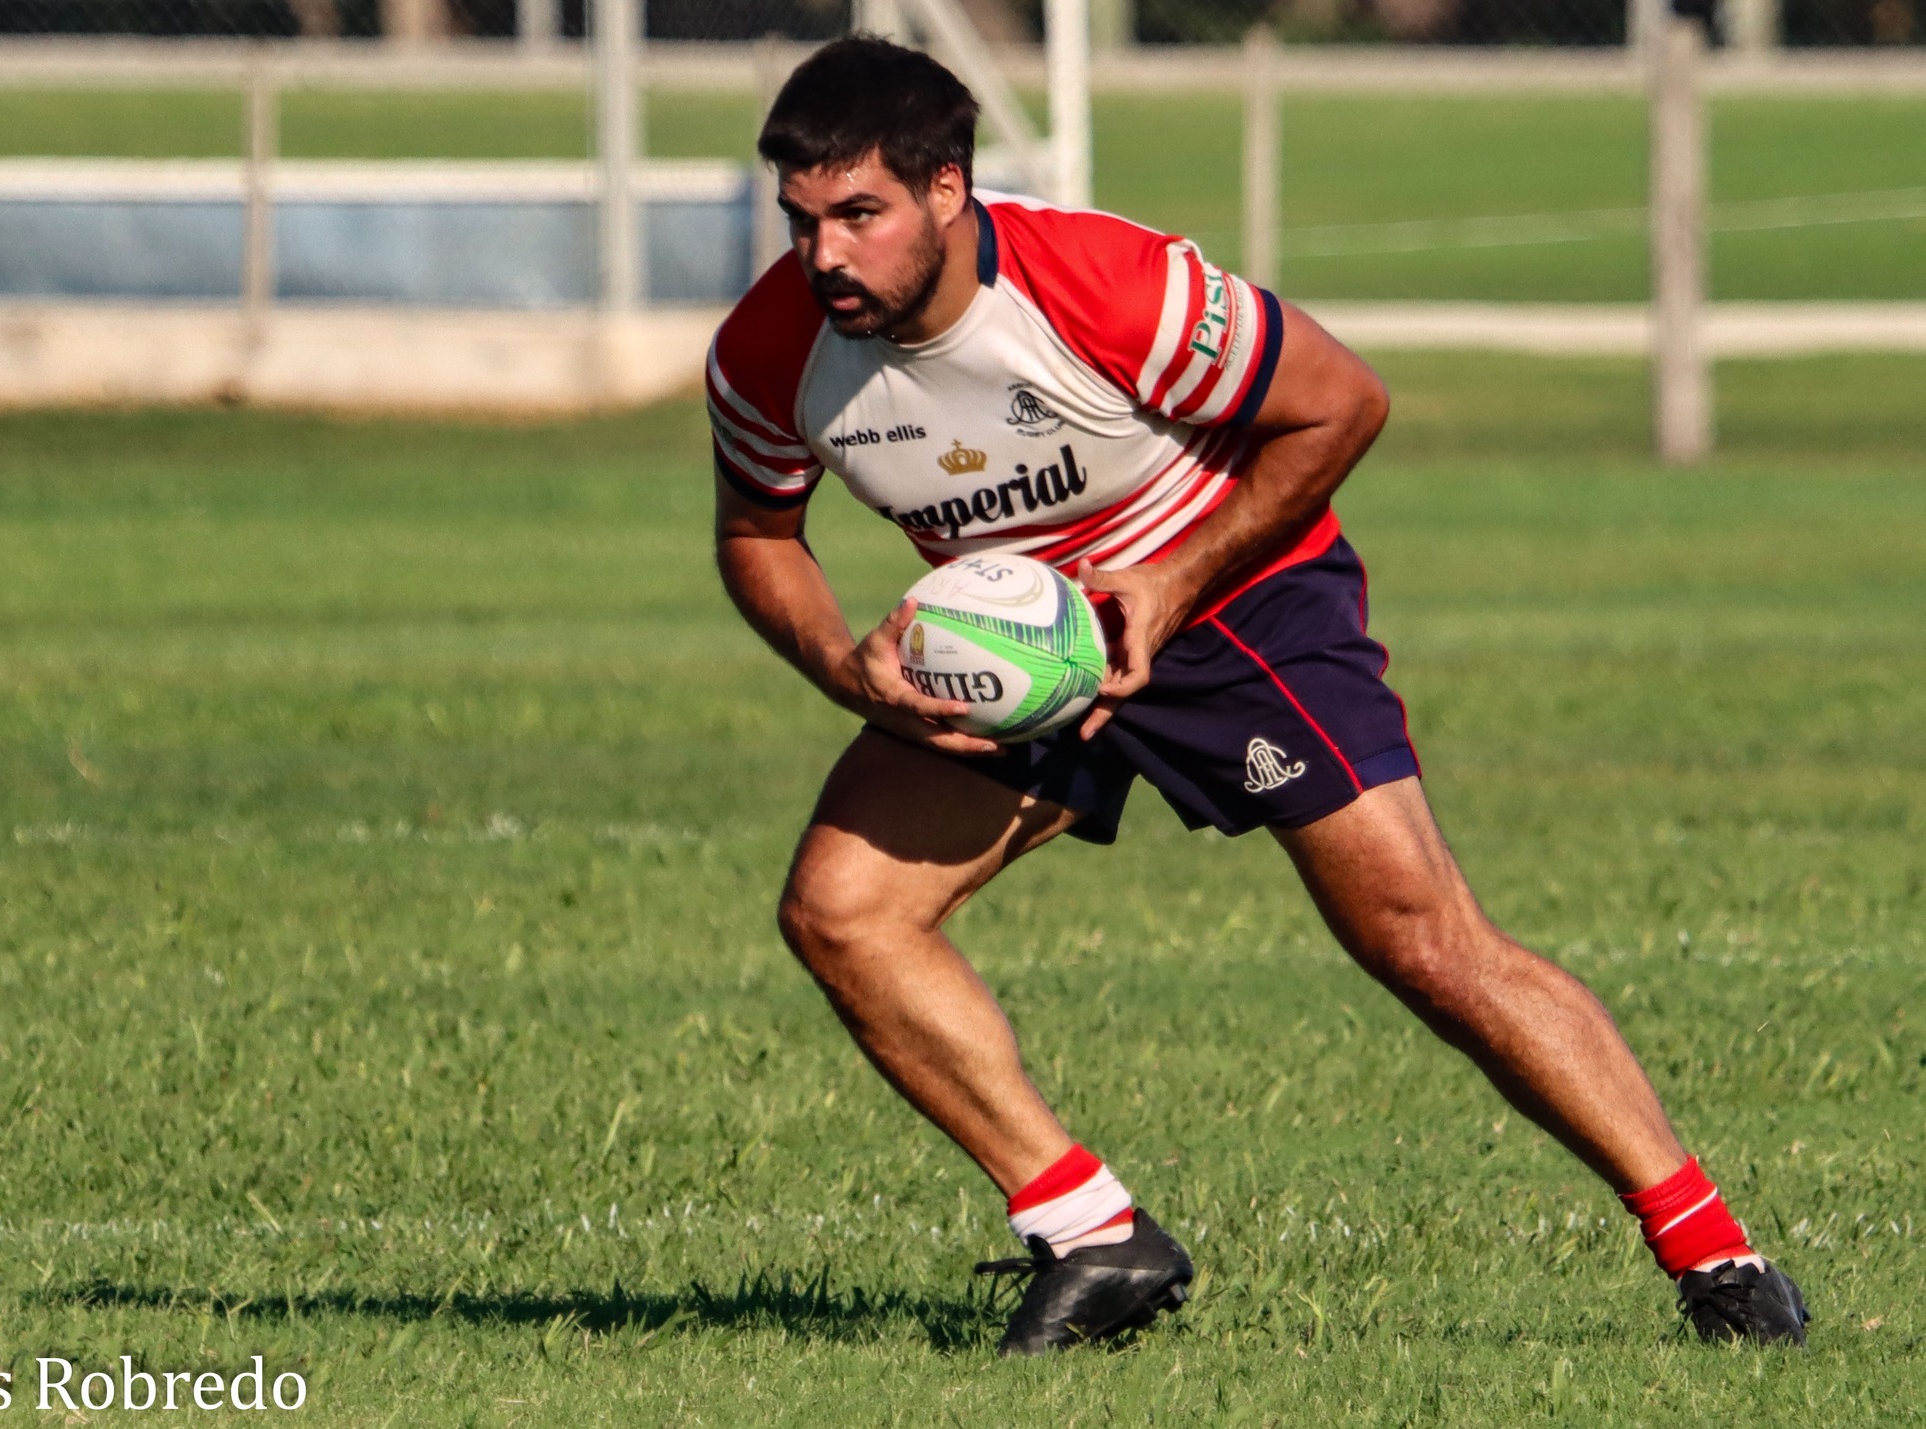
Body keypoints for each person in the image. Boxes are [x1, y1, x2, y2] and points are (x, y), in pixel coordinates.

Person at [707, 35, 1807, 1357]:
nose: (823, 256)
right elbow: (758, 531)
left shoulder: (1106, 284)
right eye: (802, 220)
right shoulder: (773, 347)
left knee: (1423, 941)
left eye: (858, 216)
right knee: (842, 909)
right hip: (1022, 646)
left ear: (949, 190)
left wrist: (1167, 585)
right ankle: (1093, 1233)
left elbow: (1341, 405)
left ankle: (1716, 1255)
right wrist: (845, 665)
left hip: (1234, 601)